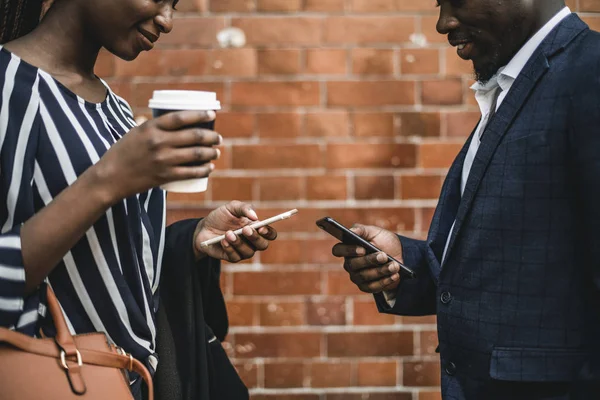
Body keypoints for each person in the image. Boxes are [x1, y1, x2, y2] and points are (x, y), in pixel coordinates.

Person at [0, 0, 277, 399]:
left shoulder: (115, 110)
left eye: (175, 5)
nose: (166, 20)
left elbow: (114, 264)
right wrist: (109, 179)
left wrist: (194, 241)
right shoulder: (9, 88)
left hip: (135, 383)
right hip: (58, 379)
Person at [332, 1, 600, 399]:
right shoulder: (513, 85)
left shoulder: (590, 73)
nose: (444, 23)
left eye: (456, 0)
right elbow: (521, 263)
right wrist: (407, 263)